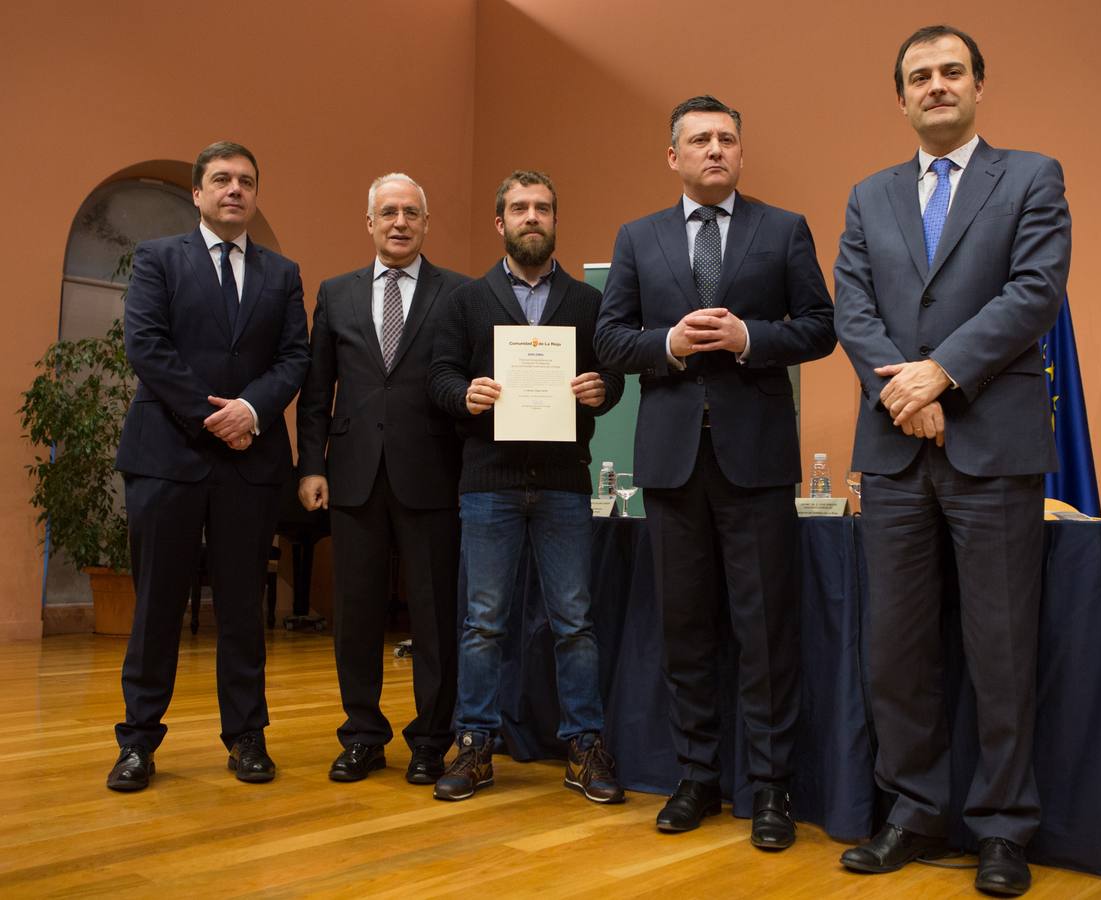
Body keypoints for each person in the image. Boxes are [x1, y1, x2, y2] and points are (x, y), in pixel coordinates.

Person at [832, 25, 1071, 895]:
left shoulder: (1032, 178)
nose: (935, 86)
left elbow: (1033, 291)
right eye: (918, 77)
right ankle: (911, 813)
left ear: (978, 85)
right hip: (893, 454)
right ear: (899, 97)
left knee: (1000, 648)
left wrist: (943, 375)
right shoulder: (869, 195)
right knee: (895, 649)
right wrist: (906, 394)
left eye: (950, 73)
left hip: (993, 449)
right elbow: (850, 306)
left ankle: (1004, 828)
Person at [595, 96, 836, 851]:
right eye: (699, 140)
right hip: (669, 462)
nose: (714, 150)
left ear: (740, 151)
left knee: (765, 632)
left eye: (727, 138)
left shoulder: (783, 228)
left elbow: (820, 327)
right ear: (673, 156)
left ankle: (769, 788)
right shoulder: (639, 237)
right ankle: (696, 777)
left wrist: (747, 337)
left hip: (756, 461)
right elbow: (608, 338)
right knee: (685, 627)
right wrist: (666, 341)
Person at [108, 140, 310, 790]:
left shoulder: (282, 274)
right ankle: (138, 743)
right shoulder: (158, 259)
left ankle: (247, 738)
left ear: (255, 194)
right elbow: (147, 346)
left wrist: (250, 411)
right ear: (197, 193)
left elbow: (294, 359)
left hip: (248, 466)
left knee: (243, 612)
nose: (234, 189)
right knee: (156, 608)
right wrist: (211, 417)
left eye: (246, 181)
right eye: (221, 179)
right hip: (166, 457)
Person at [427, 170, 625, 804]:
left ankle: (585, 746)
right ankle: (477, 743)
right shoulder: (466, 299)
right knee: (483, 622)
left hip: (566, 483)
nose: (531, 217)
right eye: (519, 208)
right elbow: (439, 376)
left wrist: (602, 391)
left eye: (542, 207)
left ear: (555, 220)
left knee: (575, 622)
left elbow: (612, 378)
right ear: (500, 223)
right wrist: (465, 395)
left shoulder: (589, 302)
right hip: (489, 483)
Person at [296, 173, 467, 785]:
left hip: (433, 476)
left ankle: (430, 739)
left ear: (426, 223)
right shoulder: (335, 293)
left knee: (434, 615)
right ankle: (363, 734)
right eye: (388, 212)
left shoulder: (459, 294)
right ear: (368, 223)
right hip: (353, 476)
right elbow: (317, 391)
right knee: (356, 613)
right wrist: (310, 465)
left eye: (411, 213)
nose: (399, 222)